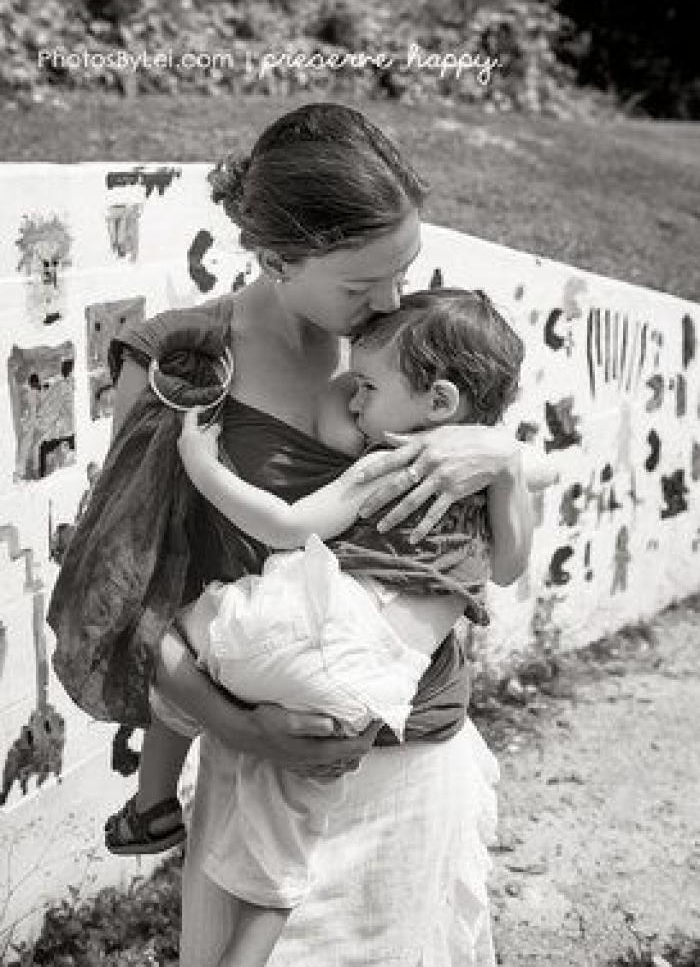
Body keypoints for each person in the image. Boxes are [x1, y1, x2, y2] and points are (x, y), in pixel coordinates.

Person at [106, 102, 542, 967]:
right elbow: (129, 594)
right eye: (359, 286)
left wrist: (501, 456)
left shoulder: (415, 347)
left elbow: (489, 555)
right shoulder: (178, 366)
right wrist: (239, 729)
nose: (391, 301)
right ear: (275, 259)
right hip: (266, 774)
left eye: (403, 269)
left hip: (421, 767)